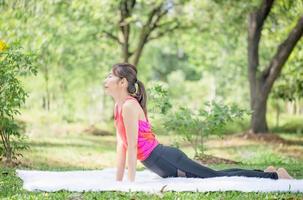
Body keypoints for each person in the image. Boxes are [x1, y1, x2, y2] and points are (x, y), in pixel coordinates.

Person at [103, 63, 294, 182]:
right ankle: (265, 173)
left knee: (216, 177)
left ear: (122, 83)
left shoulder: (129, 106)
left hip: (164, 158)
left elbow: (133, 146)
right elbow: (122, 145)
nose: (106, 79)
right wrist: (119, 181)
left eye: (110, 75)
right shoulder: (119, 107)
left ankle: (275, 176)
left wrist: (130, 183)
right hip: (160, 161)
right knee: (213, 174)